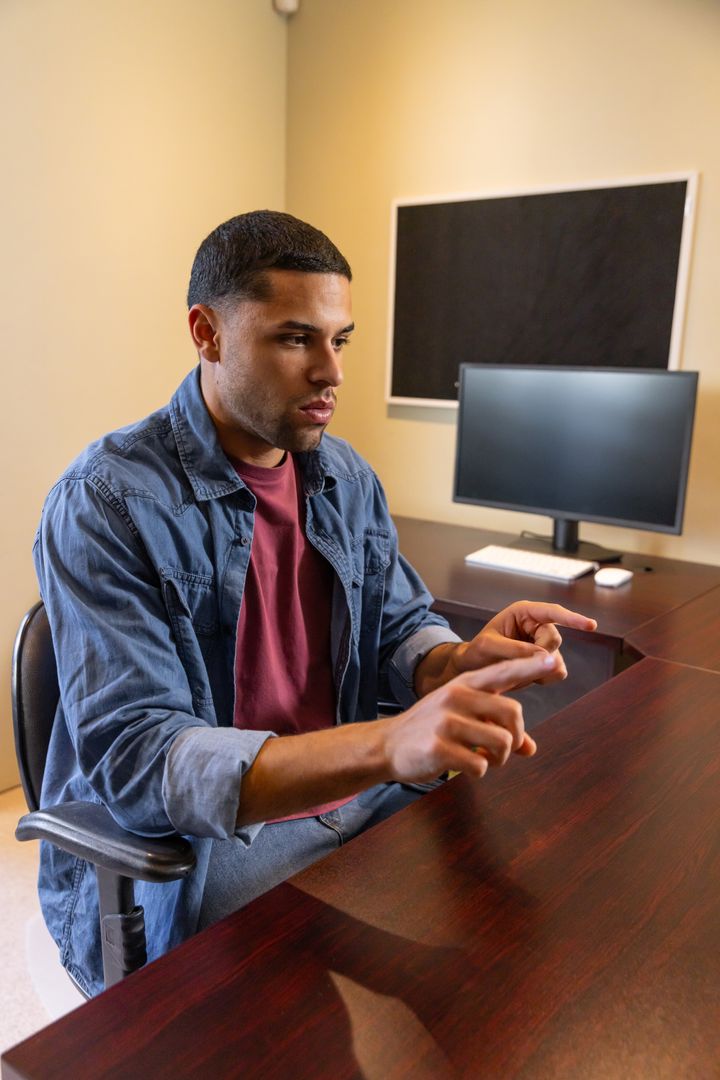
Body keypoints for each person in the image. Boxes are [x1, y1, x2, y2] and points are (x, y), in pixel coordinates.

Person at [33, 210, 597, 996]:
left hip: (356, 801)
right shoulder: (107, 502)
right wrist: (387, 743)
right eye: (296, 339)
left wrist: (455, 661)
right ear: (208, 333)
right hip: (215, 848)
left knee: (530, 937)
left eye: (342, 340)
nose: (331, 372)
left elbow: (398, 625)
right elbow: (141, 763)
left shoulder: (345, 477)